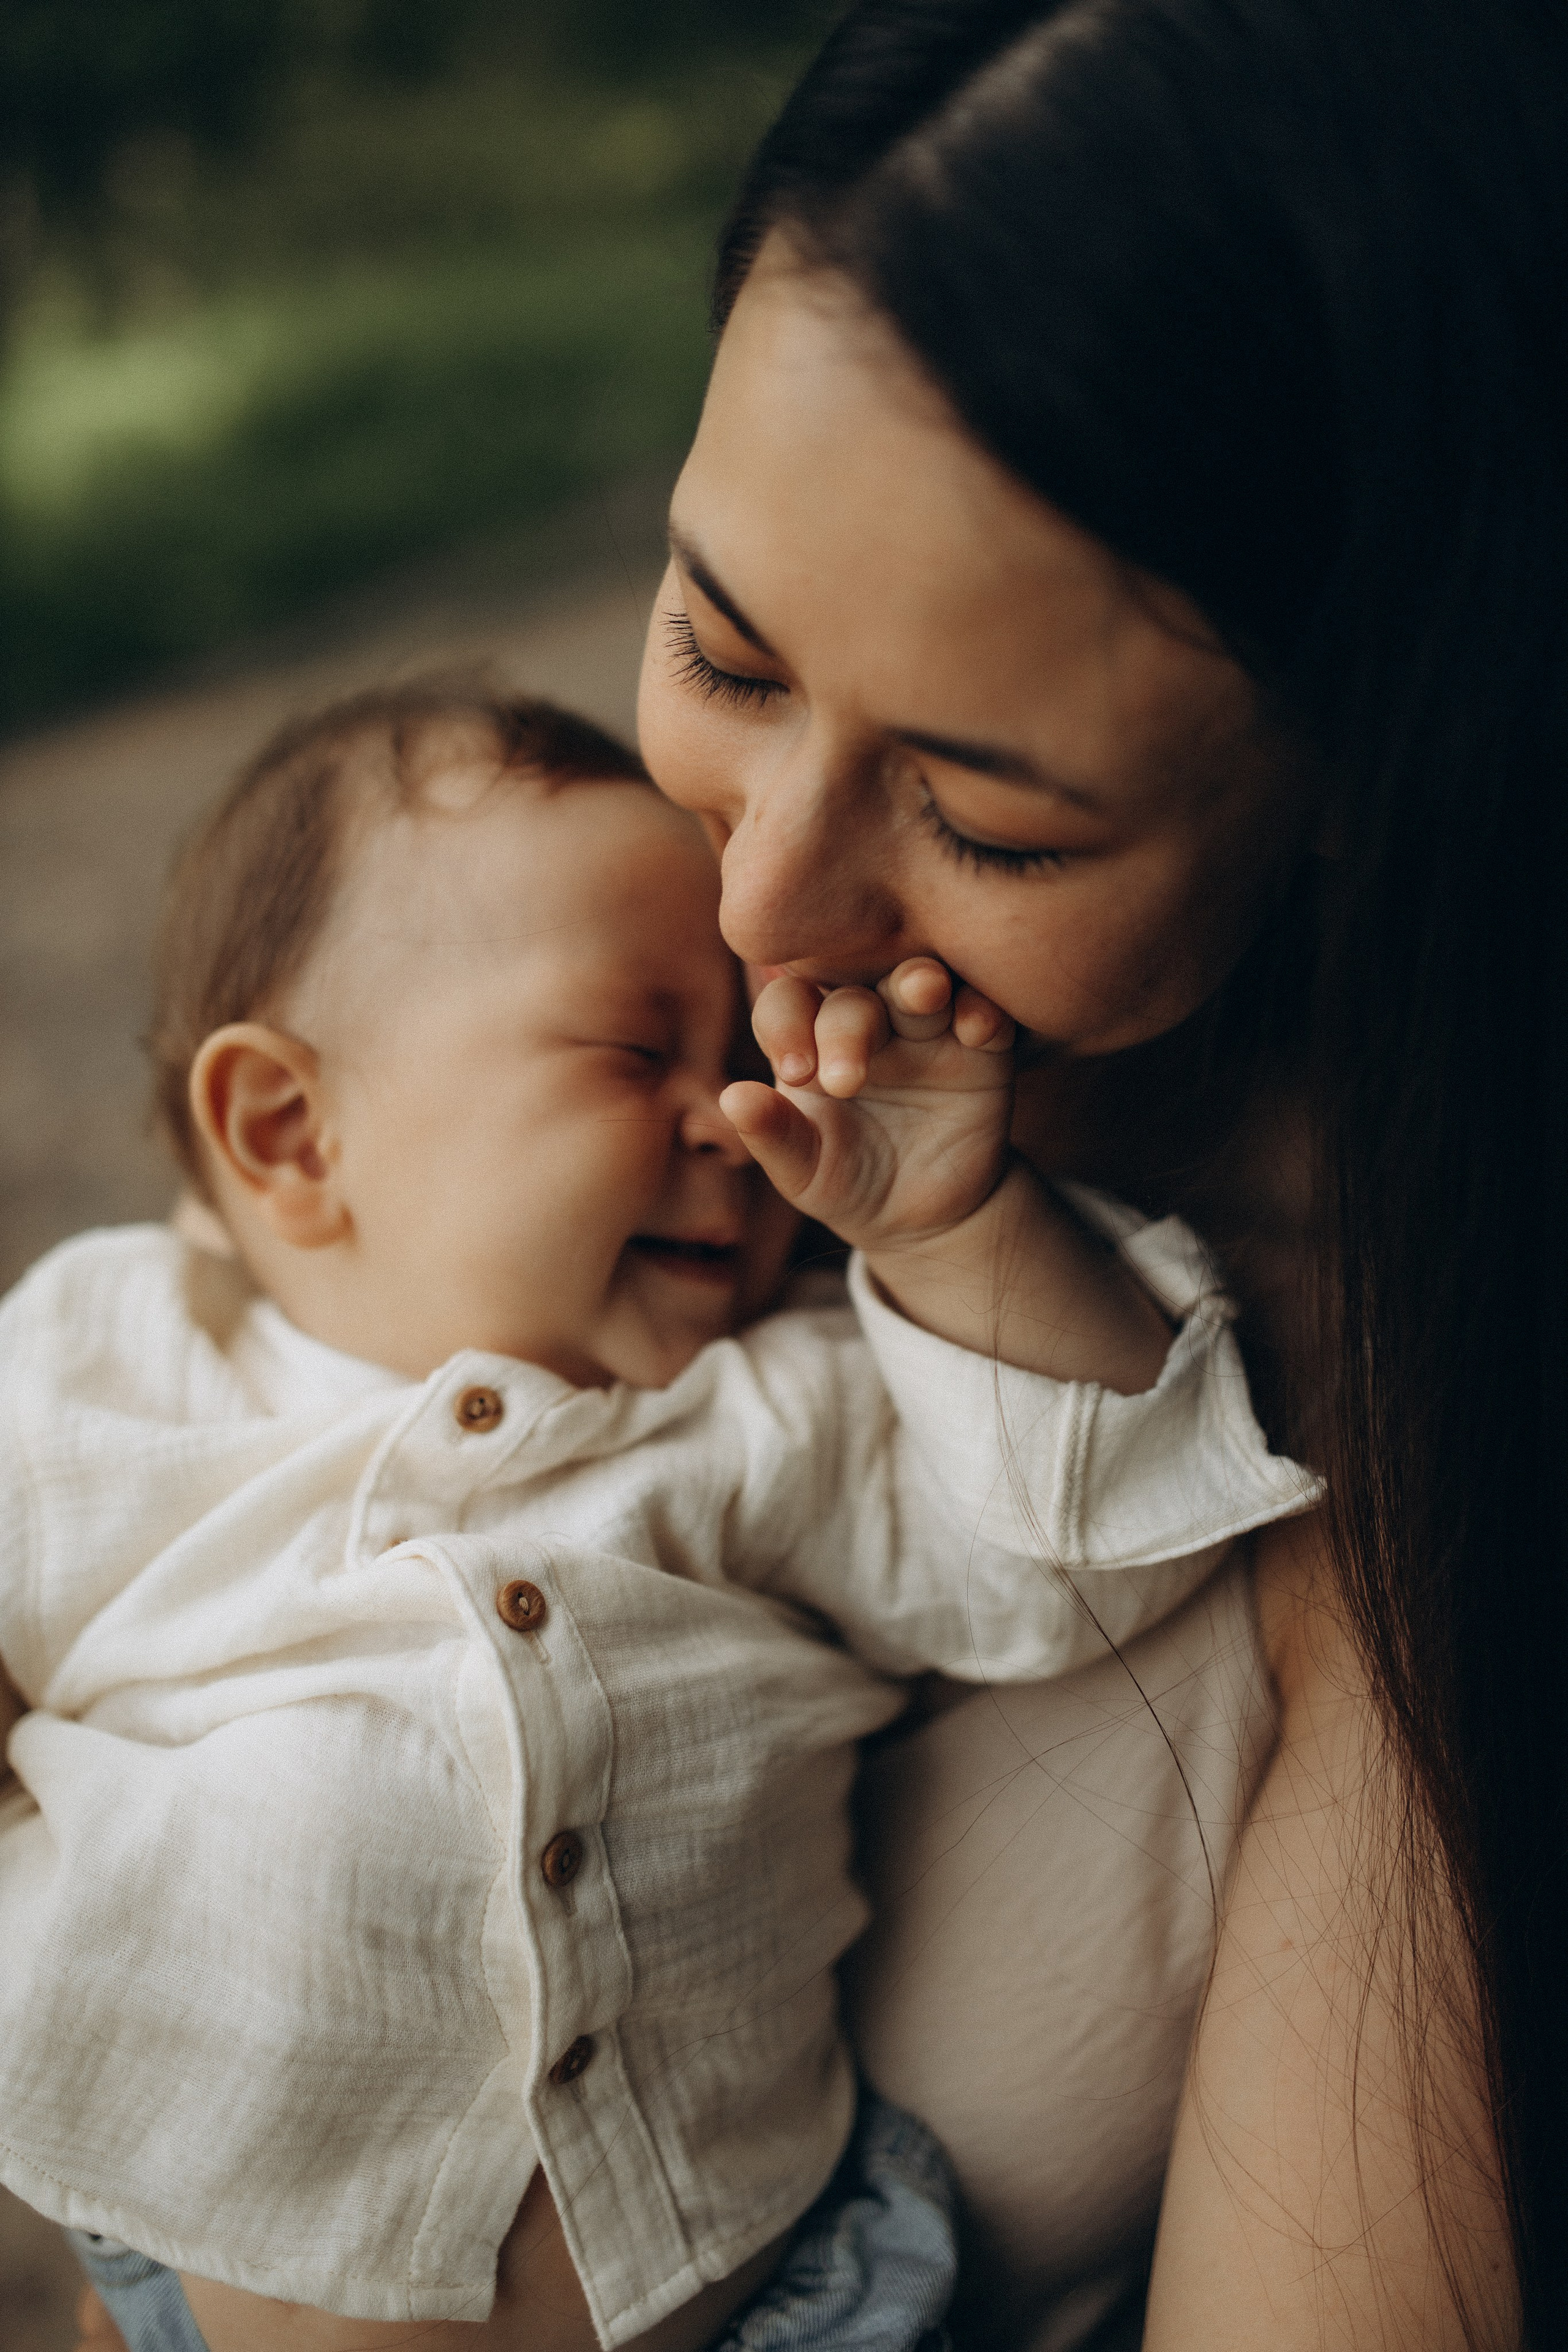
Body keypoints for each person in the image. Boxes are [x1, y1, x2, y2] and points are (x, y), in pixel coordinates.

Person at [630, 1, 1566, 2343]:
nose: (761, 906)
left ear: (1379, 772)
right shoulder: (601, 944)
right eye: (723, 657)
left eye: (990, 824)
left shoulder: (1409, 1405)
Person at [0, 682, 1311, 2352]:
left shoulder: (775, 1406)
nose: (735, 1124)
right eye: (638, 1053)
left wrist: (952, 1229)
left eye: (750, 1062)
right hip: (199, 2272)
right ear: (291, 1133)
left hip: (777, 2304)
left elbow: (1100, 1542)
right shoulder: (111, 1370)